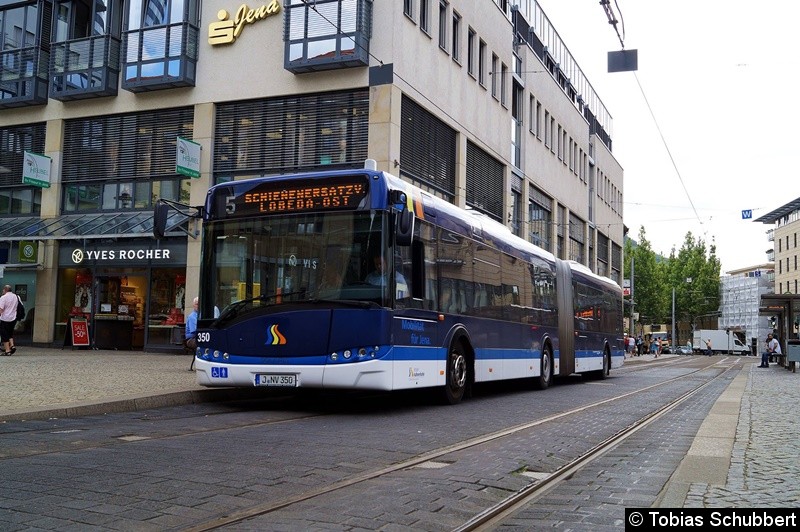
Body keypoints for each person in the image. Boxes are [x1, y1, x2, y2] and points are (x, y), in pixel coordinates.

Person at [0, 285, 19, 356]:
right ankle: (12, 346)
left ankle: (7, 351)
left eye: (3, 290)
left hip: (5, 318)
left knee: (4, 334)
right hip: (13, 318)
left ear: (5, 290)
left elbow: (1, 309)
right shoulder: (15, 297)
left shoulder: (3, 297)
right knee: (10, 333)